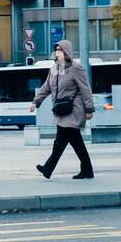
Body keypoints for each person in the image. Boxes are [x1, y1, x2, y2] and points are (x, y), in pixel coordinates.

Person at [30, 39, 95, 180]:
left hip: (73, 110)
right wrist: (36, 101)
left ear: (67, 52)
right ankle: (87, 170)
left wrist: (89, 109)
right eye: (56, 50)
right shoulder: (54, 68)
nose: (58, 52)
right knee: (75, 142)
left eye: (60, 50)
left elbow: (85, 90)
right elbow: (46, 87)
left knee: (61, 141)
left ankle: (48, 168)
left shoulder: (76, 68)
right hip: (61, 110)